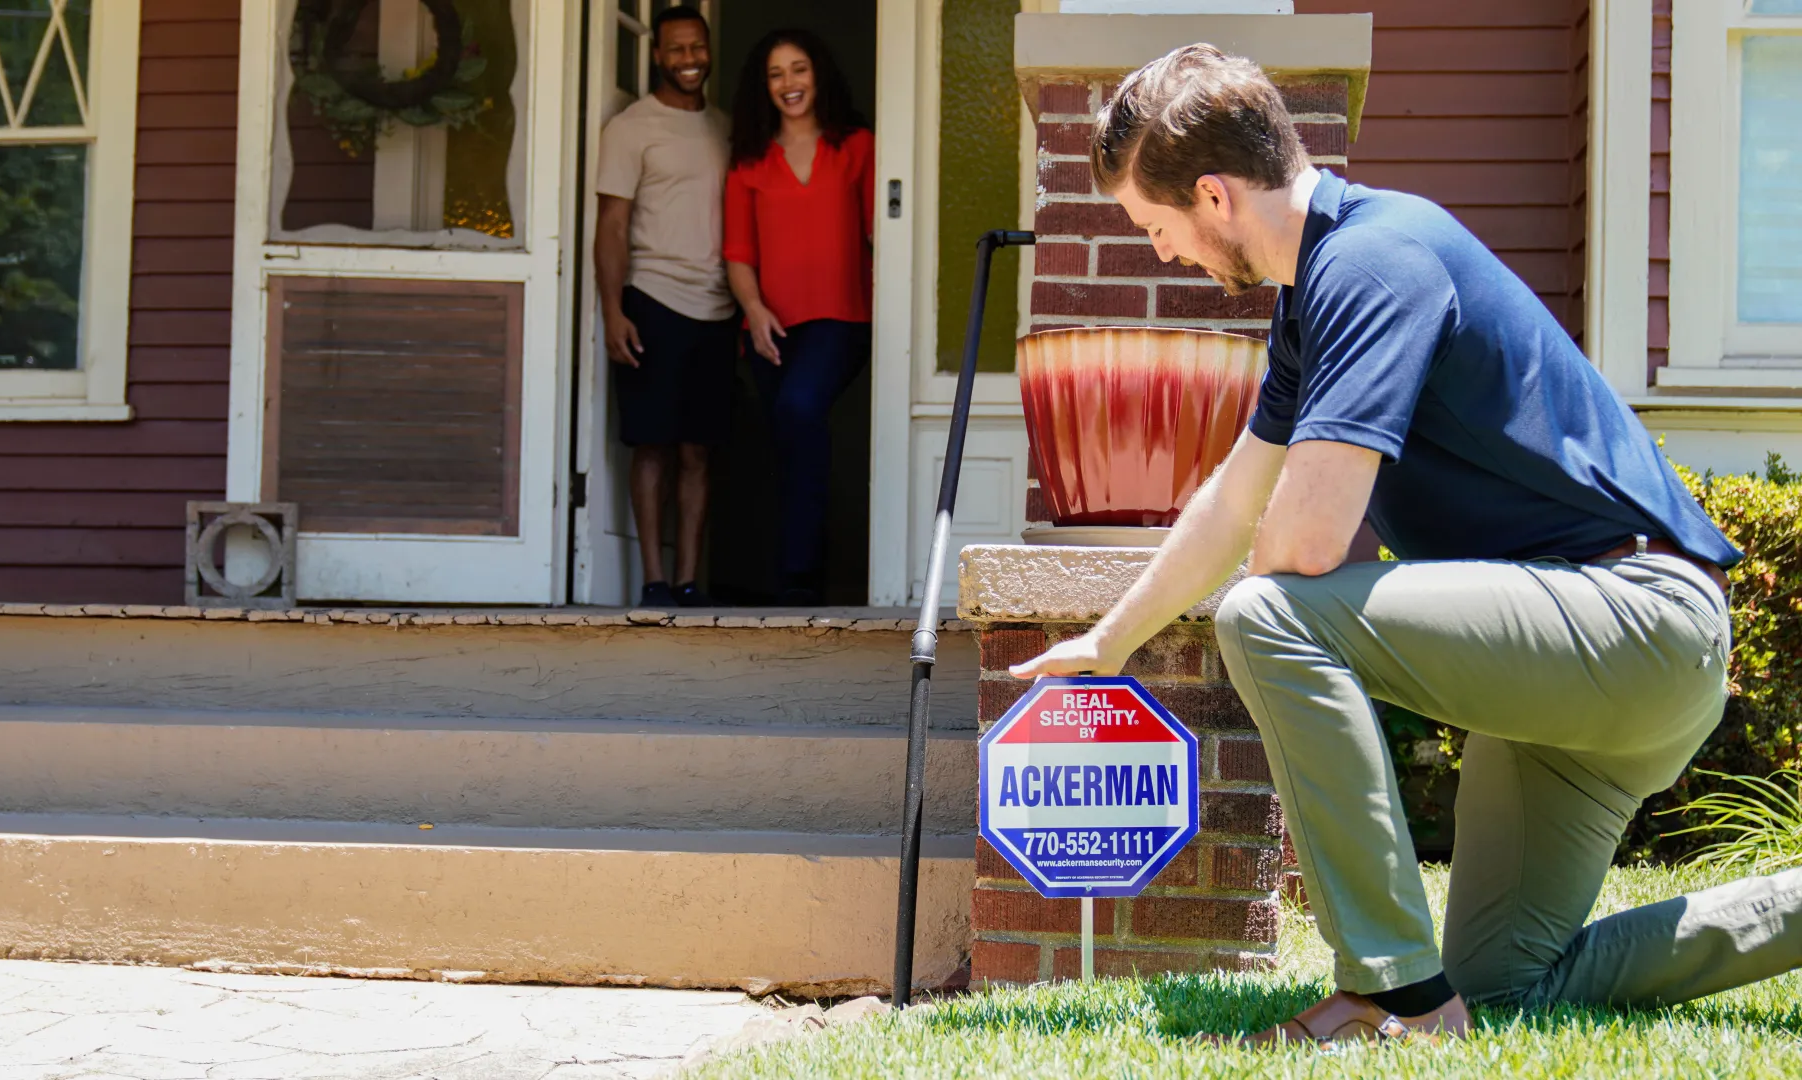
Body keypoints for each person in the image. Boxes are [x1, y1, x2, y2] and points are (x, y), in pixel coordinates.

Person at [1012, 44, 1800, 1047]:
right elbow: (1233, 498)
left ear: (1213, 194)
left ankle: (1397, 997)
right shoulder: (1315, 296)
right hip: (1577, 667)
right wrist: (1111, 641)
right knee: (1511, 980)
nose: (1164, 253)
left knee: (1269, 613)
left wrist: (1280, 637)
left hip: (1635, 620)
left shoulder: (1377, 262)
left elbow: (1299, 546)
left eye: (1155, 228)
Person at [723, 28, 874, 607]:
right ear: (763, 87)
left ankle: (801, 576)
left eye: (799, 69)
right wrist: (755, 311)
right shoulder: (748, 162)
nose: (789, 83)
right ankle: (793, 574)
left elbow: (880, 233)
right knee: (787, 445)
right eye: (776, 74)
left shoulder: (858, 146)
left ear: (819, 74)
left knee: (798, 409)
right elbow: (738, 253)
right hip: (769, 329)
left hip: (841, 318)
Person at [594, 5, 737, 608]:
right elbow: (611, 224)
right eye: (676, 50)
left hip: (719, 307)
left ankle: (688, 580)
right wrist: (612, 311)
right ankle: (654, 580)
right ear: (658, 55)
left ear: (708, 50)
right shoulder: (631, 127)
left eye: (696, 48)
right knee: (652, 444)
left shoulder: (726, 126)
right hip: (651, 298)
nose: (688, 61)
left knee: (698, 450)